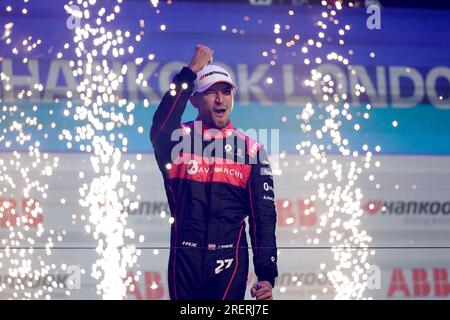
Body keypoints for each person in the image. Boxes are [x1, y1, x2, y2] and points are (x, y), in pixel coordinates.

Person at [150, 44, 278, 300]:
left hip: (230, 259)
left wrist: (266, 274)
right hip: (184, 257)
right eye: (211, 92)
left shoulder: (252, 150)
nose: (220, 99)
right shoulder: (176, 140)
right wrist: (189, 72)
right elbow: (160, 124)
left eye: (226, 91)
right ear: (195, 100)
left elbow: (262, 217)